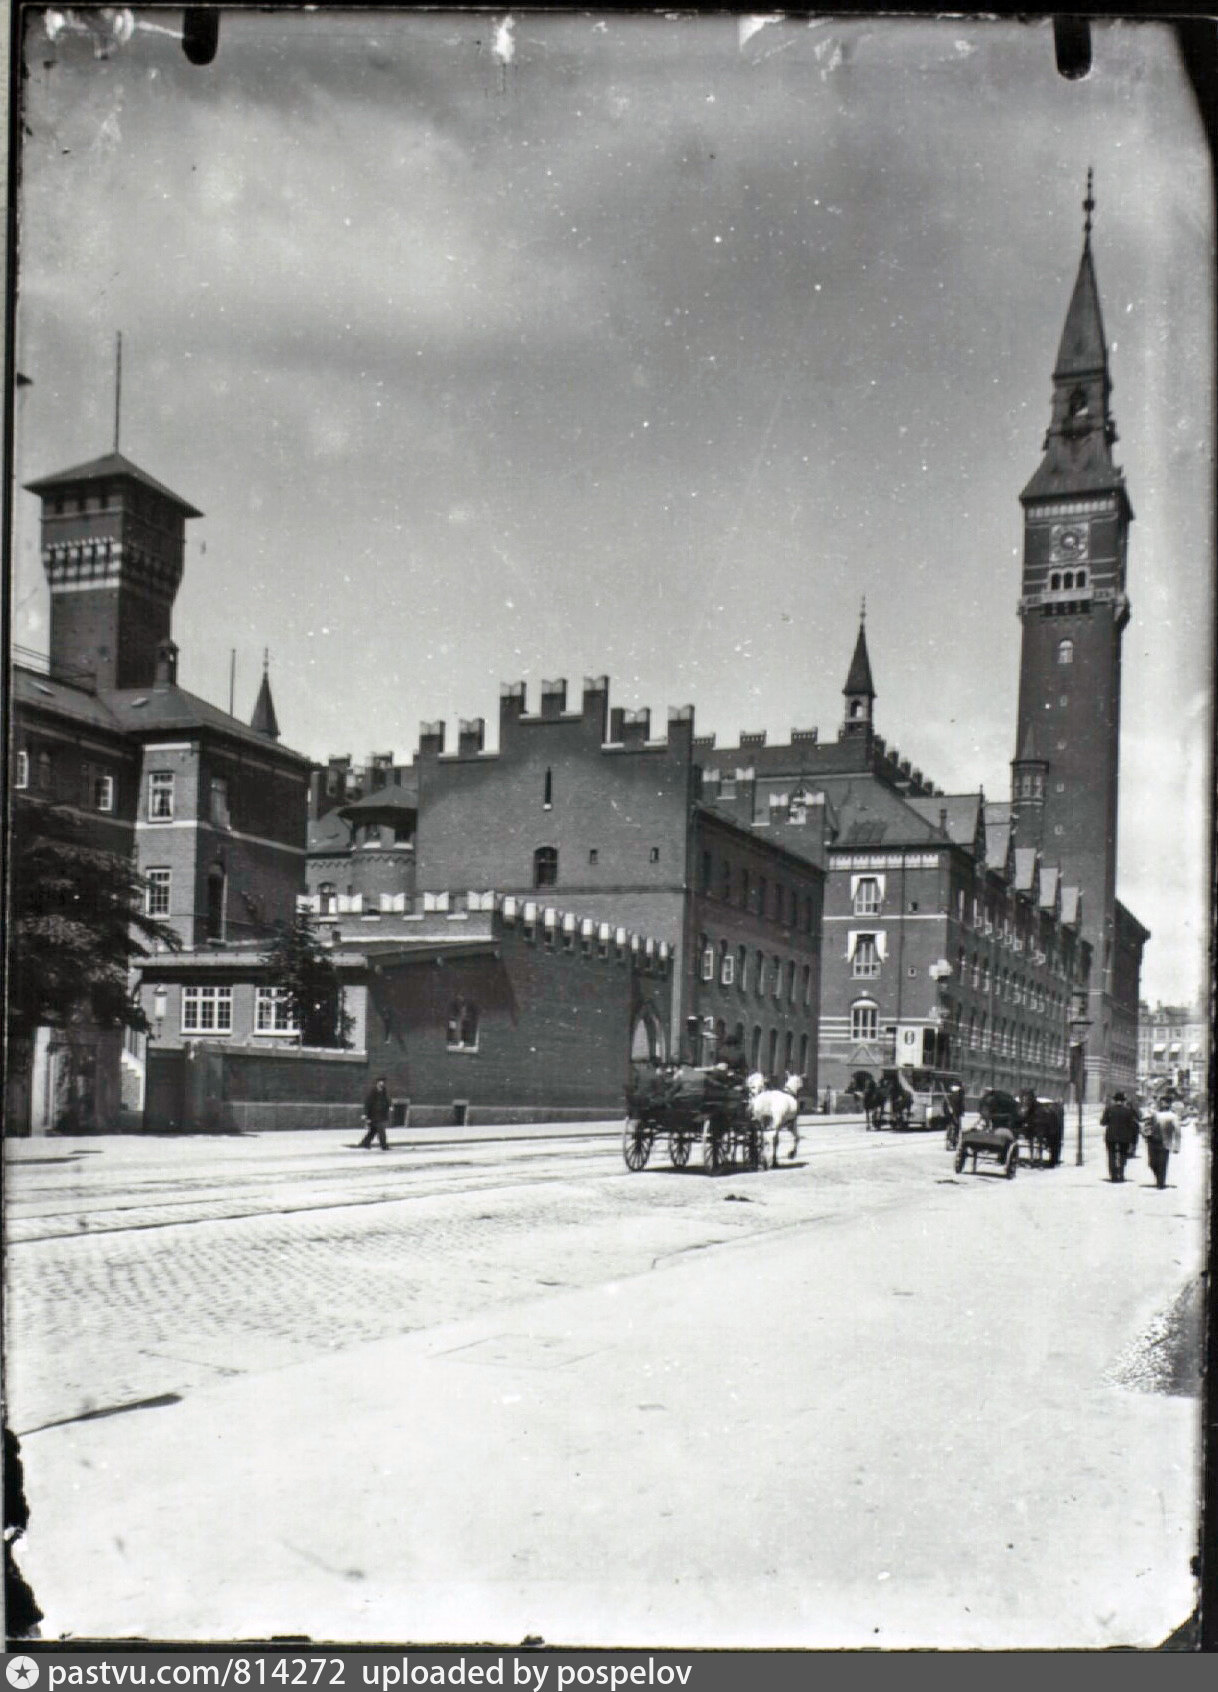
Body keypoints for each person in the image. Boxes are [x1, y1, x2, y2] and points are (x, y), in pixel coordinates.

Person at [1101, 1090, 1139, 1183]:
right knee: (1123, 1155)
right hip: (1124, 1137)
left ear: (1114, 1100)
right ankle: (1121, 1174)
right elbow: (1132, 1124)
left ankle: (1113, 1176)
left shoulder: (1109, 1109)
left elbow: (1103, 1122)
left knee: (1111, 1155)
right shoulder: (1128, 1111)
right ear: (1123, 1101)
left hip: (1111, 1136)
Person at [1142, 1103, 1181, 1189]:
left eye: (1165, 1103)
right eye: (1162, 1103)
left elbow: (1177, 1131)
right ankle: (1159, 1178)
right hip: (1152, 1141)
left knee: (1162, 1163)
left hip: (1165, 1142)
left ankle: (1161, 1183)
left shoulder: (1173, 1116)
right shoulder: (1154, 1114)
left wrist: (1177, 1145)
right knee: (1152, 1163)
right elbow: (1145, 1125)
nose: (1163, 1105)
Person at [359, 1076, 392, 1150]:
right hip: (374, 1115)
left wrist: (390, 1106)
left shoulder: (384, 1092)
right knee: (381, 1131)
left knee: (373, 1130)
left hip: (382, 1114)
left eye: (383, 1082)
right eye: (380, 1082)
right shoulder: (372, 1092)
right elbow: (368, 1103)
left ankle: (365, 1143)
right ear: (377, 1083)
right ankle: (384, 1146)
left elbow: (387, 1100)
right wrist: (365, 1114)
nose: (382, 1083)